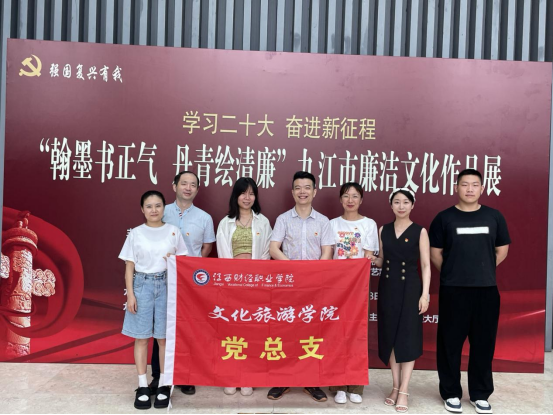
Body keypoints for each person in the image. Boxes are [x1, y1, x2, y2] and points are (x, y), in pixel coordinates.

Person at [429, 169, 510, 415]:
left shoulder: (494, 216)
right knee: (450, 344)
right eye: (465, 184)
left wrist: (481, 270)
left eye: (475, 184)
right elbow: (435, 253)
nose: (470, 189)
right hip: (453, 290)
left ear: (482, 188)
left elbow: (502, 249)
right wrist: (454, 272)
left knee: (483, 344)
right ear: (456, 187)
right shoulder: (444, 218)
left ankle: (480, 394)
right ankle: (451, 393)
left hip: (486, 290)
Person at [267, 171, 334, 403]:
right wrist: (295, 270)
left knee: (312, 332)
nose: (302, 192)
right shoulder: (283, 219)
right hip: (289, 284)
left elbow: (327, 252)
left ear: (314, 192)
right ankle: (282, 380)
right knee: (286, 331)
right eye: (298, 187)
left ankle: (311, 381)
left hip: (315, 286)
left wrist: (313, 275)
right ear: (292, 192)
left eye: (307, 187)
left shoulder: (323, 221)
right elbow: (274, 248)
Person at [150, 171, 216, 396]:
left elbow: (206, 247)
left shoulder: (205, 218)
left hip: (190, 283)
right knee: (161, 329)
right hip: (161, 278)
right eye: (184, 183)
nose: (188, 188)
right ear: (174, 186)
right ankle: (158, 376)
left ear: (197, 189)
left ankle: (185, 376)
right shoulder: (161, 211)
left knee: (188, 328)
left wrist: (191, 269)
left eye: (193, 185)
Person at [120, 191, 188, 410]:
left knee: (163, 339)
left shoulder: (173, 231)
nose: (154, 210)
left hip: (166, 285)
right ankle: (142, 386)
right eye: (149, 206)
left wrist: (174, 260)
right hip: (142, 285)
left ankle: (164, 386)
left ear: (164, 208)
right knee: (141, 338)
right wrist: (131, 294)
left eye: (158, 205)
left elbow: (183, 261)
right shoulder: (136, 233)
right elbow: (129, 266)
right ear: (142, 209)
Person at [371, 188, 431, 413]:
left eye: (406, 202)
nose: (401, 206)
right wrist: (370, 258)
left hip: (411, 289)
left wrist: (425, 294)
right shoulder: (383, 230)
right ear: (391, 205)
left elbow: (425, 265)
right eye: (397, 202)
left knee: (408, 337)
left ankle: (404, 390)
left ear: (412, 205)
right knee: (391, 337)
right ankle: (395, 386)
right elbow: (382, 261)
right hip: (388, 288)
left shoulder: (420, 231)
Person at [216, 177, 272, 396]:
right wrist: (232, 280)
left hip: (255, 283)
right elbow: (222, 253)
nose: (247, 198)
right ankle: (231, 375)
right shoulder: (225, 222)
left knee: (251, 330)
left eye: (251, 193)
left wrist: (256, 279)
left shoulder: (263, 222)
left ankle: (248, 376)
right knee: (231, 330)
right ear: (236, 196)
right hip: (232, 283)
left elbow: (266, 252)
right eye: (243, 193)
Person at [328, 182, 379, 405]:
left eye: (355, 196)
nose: (350, 200)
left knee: (357, 334)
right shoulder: (332, 224)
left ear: (361, 200)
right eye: (346, 196)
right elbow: (328, 255)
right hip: (336, 287)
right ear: (340, 199)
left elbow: (367, 256)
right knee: (337, 334)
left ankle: (356, 385)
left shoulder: (369, 224)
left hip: (359, 287)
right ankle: (339, 385)